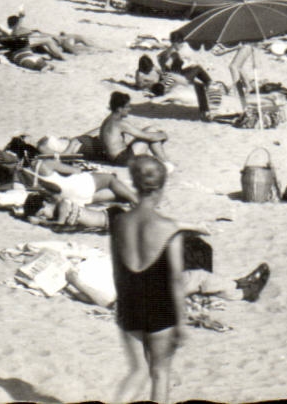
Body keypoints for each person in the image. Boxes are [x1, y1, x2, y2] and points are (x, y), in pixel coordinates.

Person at [109, 156, 187, 404]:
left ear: (135, 184)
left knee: (138, 372)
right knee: (160, 373)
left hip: (129, 304)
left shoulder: (119, 222)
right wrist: (181, 322)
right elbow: (176, 280)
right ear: (161, 187)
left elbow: (117, 270)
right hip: (160, 307)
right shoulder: (170, 228)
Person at [100, 92, 171, 167]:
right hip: (122, 159)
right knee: (151, 132)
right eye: (127, 107)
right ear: (120, 109)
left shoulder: (108, 120)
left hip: (116, 158)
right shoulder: (119, 123)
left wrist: (158, 135)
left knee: (151, 131)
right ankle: (166, 163)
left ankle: (164, 162)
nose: (129, 109)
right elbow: (146, 136)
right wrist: (163, 135)